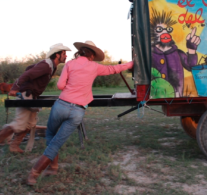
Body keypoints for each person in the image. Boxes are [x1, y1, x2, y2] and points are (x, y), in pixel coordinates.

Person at [27, 40, 133, 185]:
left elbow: (60, 85)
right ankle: (43, 170)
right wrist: (132, 63)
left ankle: (45, 170)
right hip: (78, 111)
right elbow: (114, 69)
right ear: (92, 55)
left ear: (80, 51)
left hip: (61, 106)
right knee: (56, 143)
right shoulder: (95, 67)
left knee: (51, 136)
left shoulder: (70, 64)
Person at [0, 43, 71, 161]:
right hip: (26, 94)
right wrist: (15, 87)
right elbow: (28, 74)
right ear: (57, 54)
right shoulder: (46, 65)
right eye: (64, 54)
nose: (66, 56)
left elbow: (29, 68)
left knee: (30, 124)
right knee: (20, 123)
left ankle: (14, 145)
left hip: (32, 96)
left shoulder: (50, 66)